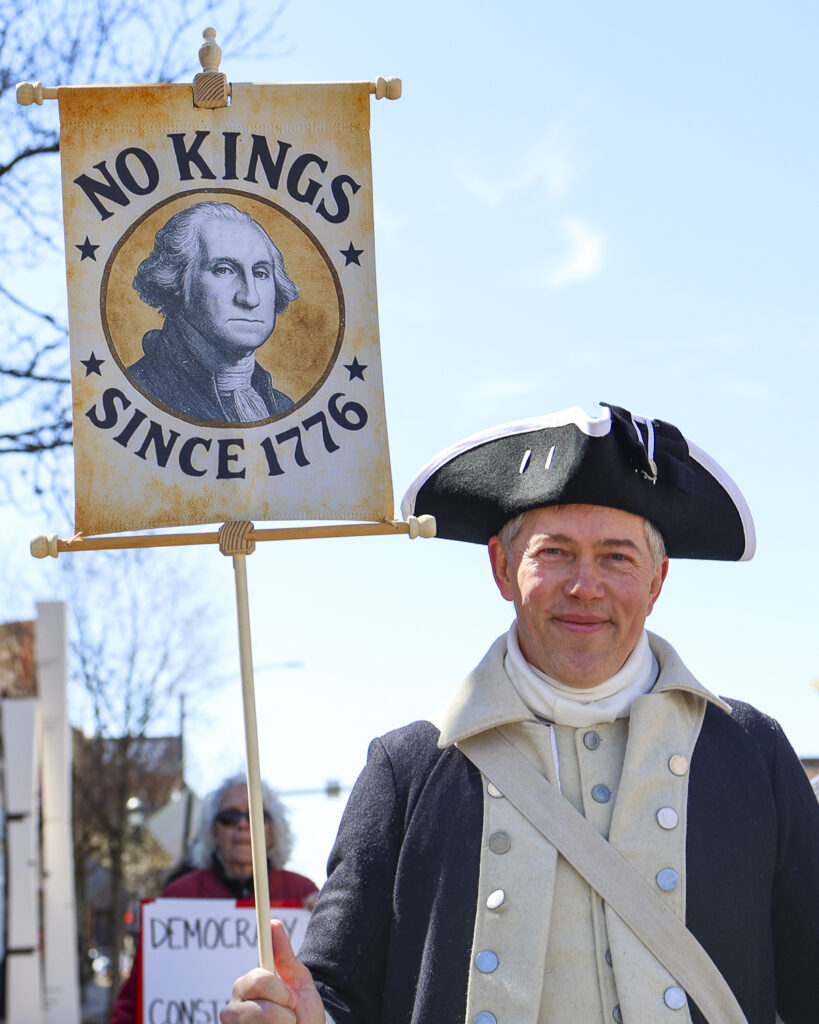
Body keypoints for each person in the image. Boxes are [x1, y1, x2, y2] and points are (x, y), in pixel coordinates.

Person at [220, 403, 819, 1024]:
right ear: (502, 569)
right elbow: (336, 994)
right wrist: (301, 1016)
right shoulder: (408, 770)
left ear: (657, 581)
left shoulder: (752, 754)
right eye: (555, 552)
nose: (585, 585)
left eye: (617, 557)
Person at [110, 773, 317, 1024]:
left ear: (272, 831)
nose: (242, 824)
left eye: (254, 815)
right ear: (214, 832)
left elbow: (326, 991)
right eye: (229, 817)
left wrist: (325, 921)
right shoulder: (180, 896)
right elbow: (138, 994)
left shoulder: (301, 893)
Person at [128, 201, 299, 425]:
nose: (250, 298)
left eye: (260, 273)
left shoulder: (285, 408)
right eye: (224, 270)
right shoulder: (135, 396)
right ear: (177, 282)